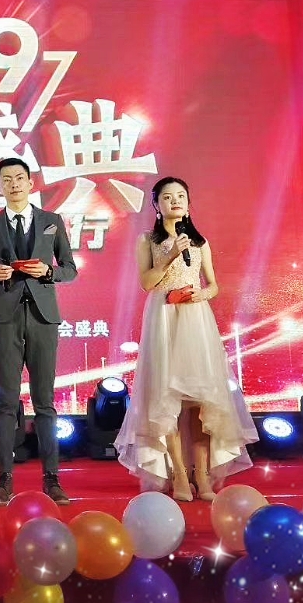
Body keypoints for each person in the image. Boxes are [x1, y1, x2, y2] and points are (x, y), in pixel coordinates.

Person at [115, 177, 258, 502]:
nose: (175, 201)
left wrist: (202, 294)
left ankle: (202, 475)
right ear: (156, 205)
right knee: (168, 400)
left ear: (189, 203)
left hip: (195, 319)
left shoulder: (200, 241)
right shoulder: (147, 240)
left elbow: (213, 284)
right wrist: (169, 256)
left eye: (181, 195)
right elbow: (146, 283)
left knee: (202, 401)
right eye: (167, 197)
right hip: (165, 318)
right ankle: (179, 474)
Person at [0, 158, 78, 506]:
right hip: (6, 317)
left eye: (20, 178)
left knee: (45, 401)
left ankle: (52, 479)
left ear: (31, 183)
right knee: (6, 401)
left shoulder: (52, 221)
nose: (14, 184)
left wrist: (48, 272)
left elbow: (69, 269)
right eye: (7, 179)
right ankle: (3, 480)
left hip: (44, 317)